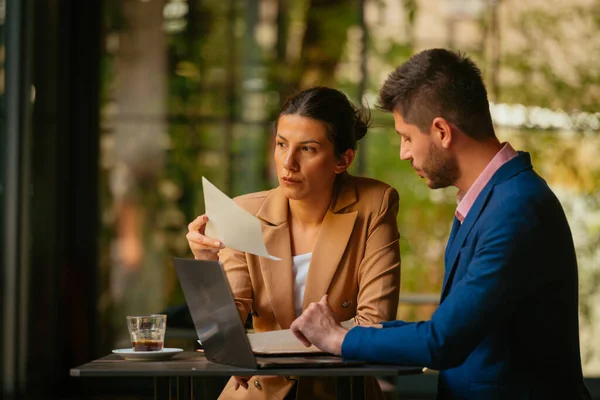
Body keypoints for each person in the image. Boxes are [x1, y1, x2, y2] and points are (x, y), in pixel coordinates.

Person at [290, 49, 592, 400]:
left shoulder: (516, 210)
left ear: (441, 132)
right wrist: (344, 330)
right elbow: (452, 328)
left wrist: (339, 339)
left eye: (406, 137)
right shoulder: (489, 200)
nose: (404, 153)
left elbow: (443, 341)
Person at [186, 86, 401, 400]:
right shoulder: (244, 212)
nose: (288, 162)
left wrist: (258, 346)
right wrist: (206, 265)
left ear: (342, 160)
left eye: (308, 149)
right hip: (258, 389)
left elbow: (375, 324)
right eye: (281, 144)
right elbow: (222, 337)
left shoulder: (374, 204)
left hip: (341, 390)